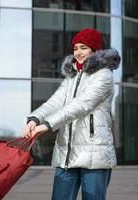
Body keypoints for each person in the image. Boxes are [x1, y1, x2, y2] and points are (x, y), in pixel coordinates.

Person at [22, 28, 120, 200]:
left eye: (83, 47)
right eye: (75, 48)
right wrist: (35, 118)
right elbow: (55, 102)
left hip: (94, 153)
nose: (78, 53)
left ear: (94, 50)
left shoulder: (104, 75)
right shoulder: (71, 77)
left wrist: (47, 125)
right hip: (66, 154)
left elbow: (80, 105)